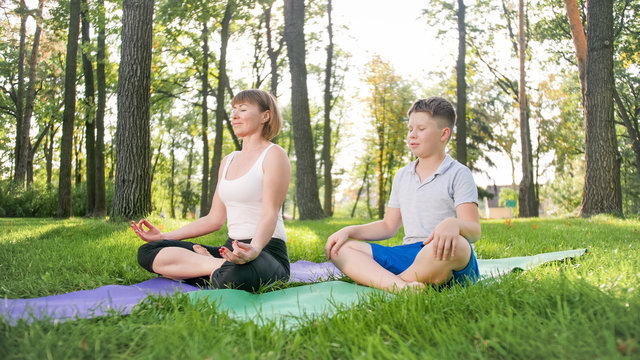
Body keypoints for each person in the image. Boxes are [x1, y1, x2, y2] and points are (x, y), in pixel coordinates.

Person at [132, 89, 291, 292]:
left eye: (243, 109)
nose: (234, 115)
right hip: (230, 250)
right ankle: (214, 267)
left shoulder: (274, 154)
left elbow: (270, 212)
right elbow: (214, 219)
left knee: (232, 276)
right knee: (148, 251)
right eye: (233, 109)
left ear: (265, 116)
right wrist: (164, 236)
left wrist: (254, 249)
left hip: (266, 252)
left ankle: (203, 268)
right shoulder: (228, 160)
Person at [325, 97, 481, 292]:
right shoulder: (402, 175)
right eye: (410, 129)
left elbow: (474, 231)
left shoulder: (458, 173)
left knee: (457, 245)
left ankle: (385, 282)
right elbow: (388, 226)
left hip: (442, 252)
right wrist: (349, 231)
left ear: (444, 134)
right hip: (409, 255)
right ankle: (403, 287)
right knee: (341, 249)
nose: (412, 135)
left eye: (421, 129)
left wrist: (454, 224)